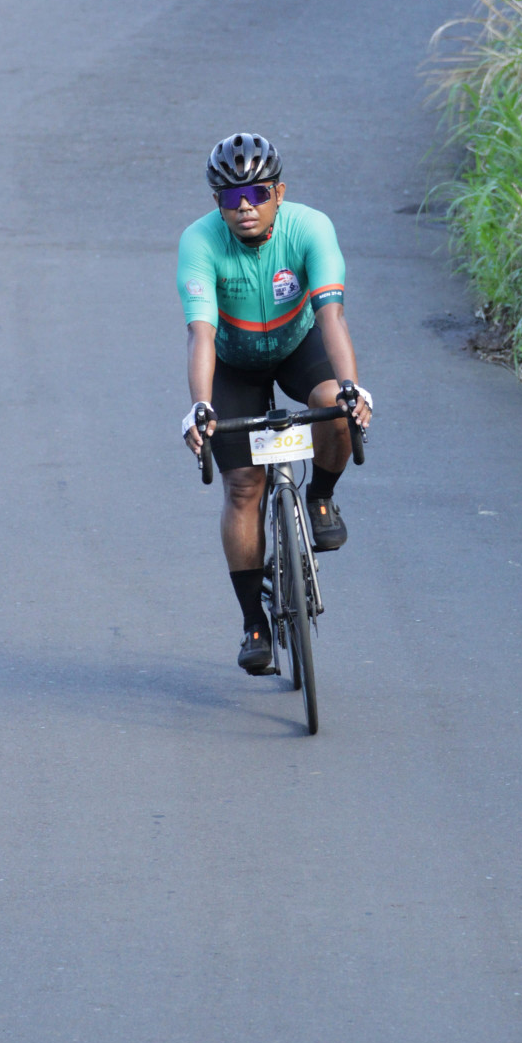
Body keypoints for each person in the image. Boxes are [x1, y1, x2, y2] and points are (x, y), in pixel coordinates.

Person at [178, 132, 373, 673]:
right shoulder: (199, 241)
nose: (245, 207)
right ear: (217, 202)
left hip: (296, 346)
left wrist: (352, 386)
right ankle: (254, 623)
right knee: (244, 487)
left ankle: (321, 496)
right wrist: (200, 406)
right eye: (231, 197)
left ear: (279, 193)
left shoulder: (310, 228)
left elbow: (331, 316)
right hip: (232, 361)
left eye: (257, 193)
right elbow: (200, 333)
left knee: (335, 405)